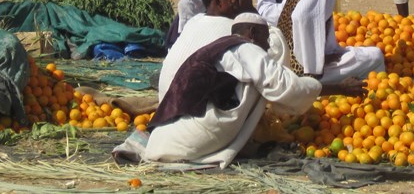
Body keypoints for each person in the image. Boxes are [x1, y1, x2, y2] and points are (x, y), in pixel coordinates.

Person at [145, 12, 363, 168]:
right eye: (266, 39)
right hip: (190, 140)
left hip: (164, 138)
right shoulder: (245, 47)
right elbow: (285, 87)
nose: (267, 47)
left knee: (260, 81)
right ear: (251, 32)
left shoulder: (221, 47)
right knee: (266, 84)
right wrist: (340, 88)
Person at [278, 0, 385, 82]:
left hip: (302, 63)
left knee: (363, 52)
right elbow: (300, 17)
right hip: (305, 73)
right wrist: (316, 61)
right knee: (375, 56)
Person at [159, 0, 253, 99]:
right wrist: (249, 10)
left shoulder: (194, 21)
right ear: (219, 0)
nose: (240, 4)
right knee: (254, 80)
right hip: (192, 110)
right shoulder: (232, 29)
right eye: (236, 0)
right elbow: (267, 47)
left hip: (165, 103)